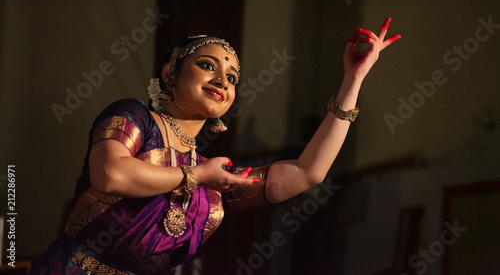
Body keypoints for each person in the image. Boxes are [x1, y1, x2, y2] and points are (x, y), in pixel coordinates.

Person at [30, 18, 401, 274]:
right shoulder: (135, 117)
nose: (222, 79)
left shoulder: (213, 177)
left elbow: (307, 172)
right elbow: (110, 174)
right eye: (208, 65)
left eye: (233, 77)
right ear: (170, 73)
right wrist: (195, 175)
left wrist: (353, 80)